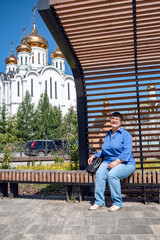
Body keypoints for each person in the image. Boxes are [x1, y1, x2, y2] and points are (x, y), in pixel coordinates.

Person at [88, 112, 136, 212]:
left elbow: (127, 152)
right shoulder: (108, 134)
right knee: (100, 174)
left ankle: (117, 203)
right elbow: (105, 151)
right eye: (112, 119)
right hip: (109, 161)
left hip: (126, 163)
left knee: (112, 175)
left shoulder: (125, 135)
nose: (114, 121)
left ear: (121, 122)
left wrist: (117, 162)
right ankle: (99, 202)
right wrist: (94, 155)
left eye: (116, 119)